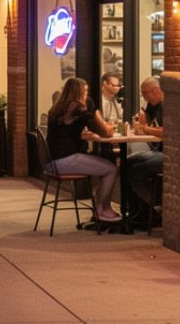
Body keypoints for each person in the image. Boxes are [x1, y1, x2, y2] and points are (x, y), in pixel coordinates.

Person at [45, 77, 122, 223]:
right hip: (66, 160)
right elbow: (106, 132)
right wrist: (94, 110)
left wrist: (82, 134)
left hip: (54, 161)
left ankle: (99, 208)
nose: (87, 94)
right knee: (111, 169)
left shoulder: (58, 108)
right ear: (79, 92)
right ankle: (102, 210)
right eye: (85, 91)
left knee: (104, 163)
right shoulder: (80, 106)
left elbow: (65, 131)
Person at [124, 77, 165, 225]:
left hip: (169, 154)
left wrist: (145, 128)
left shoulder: (167, 104)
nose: (144, 97)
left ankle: (154, 206)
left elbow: (167, 132)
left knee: (135, 169)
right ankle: (140, 211)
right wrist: (142, 118)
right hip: (159, 149)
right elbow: (145, 121)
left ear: (156, 90)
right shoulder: (153, 104)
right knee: (127, 163)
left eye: (145, 93)